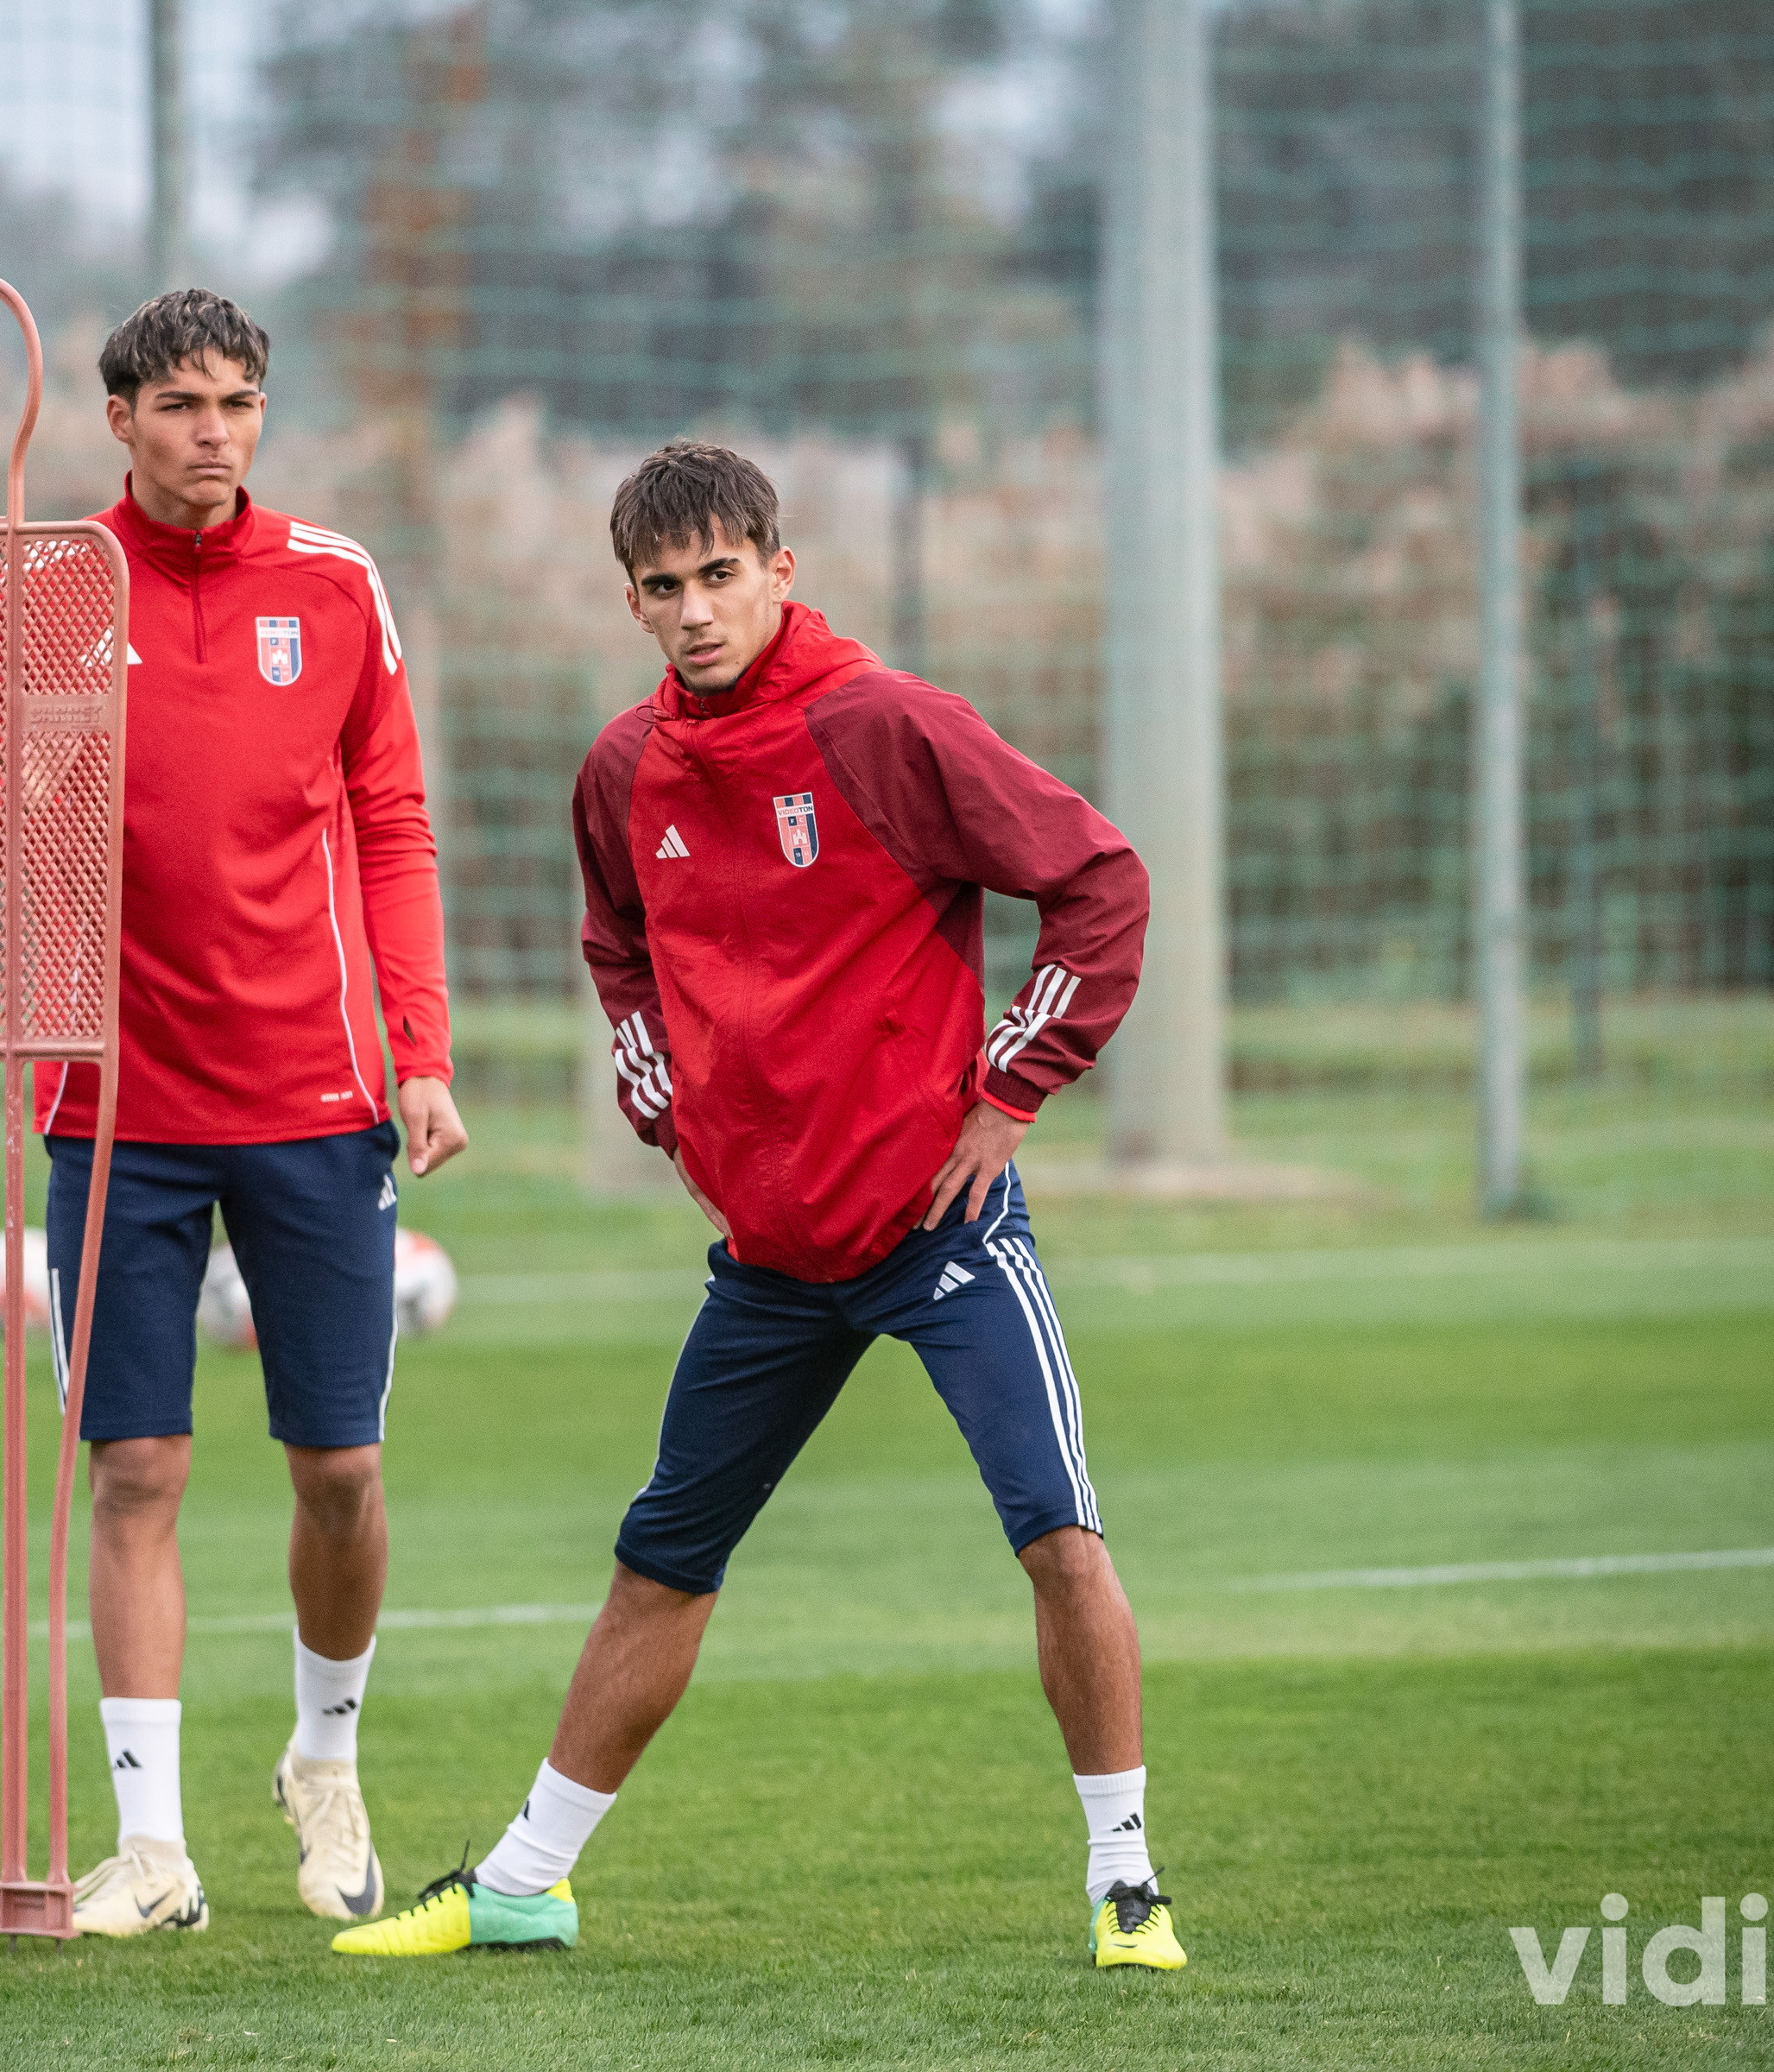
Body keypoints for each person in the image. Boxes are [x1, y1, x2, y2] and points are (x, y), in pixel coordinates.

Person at [331, 440, 1185, 1971]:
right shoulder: (623, 771)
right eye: (663, 587)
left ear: (780, 572)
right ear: (633, 603)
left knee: (1058, 1533)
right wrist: (668, 1102)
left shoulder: (885, 726)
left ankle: (1127, 1884)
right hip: (772, 1258)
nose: (696, 610)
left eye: (721, 575)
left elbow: (1101, 882)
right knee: (661, 1561)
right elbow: (618, 949)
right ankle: (525, 1883)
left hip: (939, 1228)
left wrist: (1010, 1091)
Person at [35, 291, 468, 1937]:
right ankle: (152, 1850)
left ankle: (323, 1760)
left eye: (238, 402)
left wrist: (420, 1049)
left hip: (314, 1094)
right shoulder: (52, 592)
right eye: (180, 404)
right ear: (120, 421)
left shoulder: (336, 584)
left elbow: (395, 826)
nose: (212, 431)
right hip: (112, 1104)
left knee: (340, 1469)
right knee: (135, 1467)